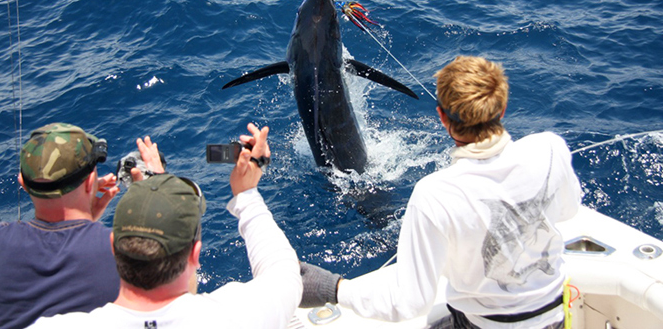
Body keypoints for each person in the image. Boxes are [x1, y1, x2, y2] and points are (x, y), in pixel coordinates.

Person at [300, 56, 583, 329]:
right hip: (556, 319)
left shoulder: (434, 193)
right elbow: (569, 211)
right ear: (503, 108)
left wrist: (332, 288)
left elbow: (409, 303)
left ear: (442, 117)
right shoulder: (550, 148)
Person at [29, 123, 303, 329]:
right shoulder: (236, 318)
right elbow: (284, 271)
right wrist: (246, 194)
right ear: (195, 253)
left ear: (113, 247)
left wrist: (85, 216)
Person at [0, 122, 164, 329]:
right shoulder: (119, 251)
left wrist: (87, 221)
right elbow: (179, 296)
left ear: (23, 183)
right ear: (89, 181)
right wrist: (159, 184)